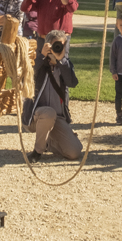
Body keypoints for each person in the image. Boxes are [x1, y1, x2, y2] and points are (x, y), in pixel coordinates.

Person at [23, 29, 82, 161]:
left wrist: (61, 61)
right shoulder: (38, 63)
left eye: (60, 46)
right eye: (55, 45)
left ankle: (51, 142)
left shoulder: (65, 65)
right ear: (47, 45)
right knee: (48, 113)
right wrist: (42, 56)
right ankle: (38, 151)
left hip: (57, 118)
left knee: (74, 152)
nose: (58, 48)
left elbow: (72, 82)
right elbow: (26, 76)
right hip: (35, 115)